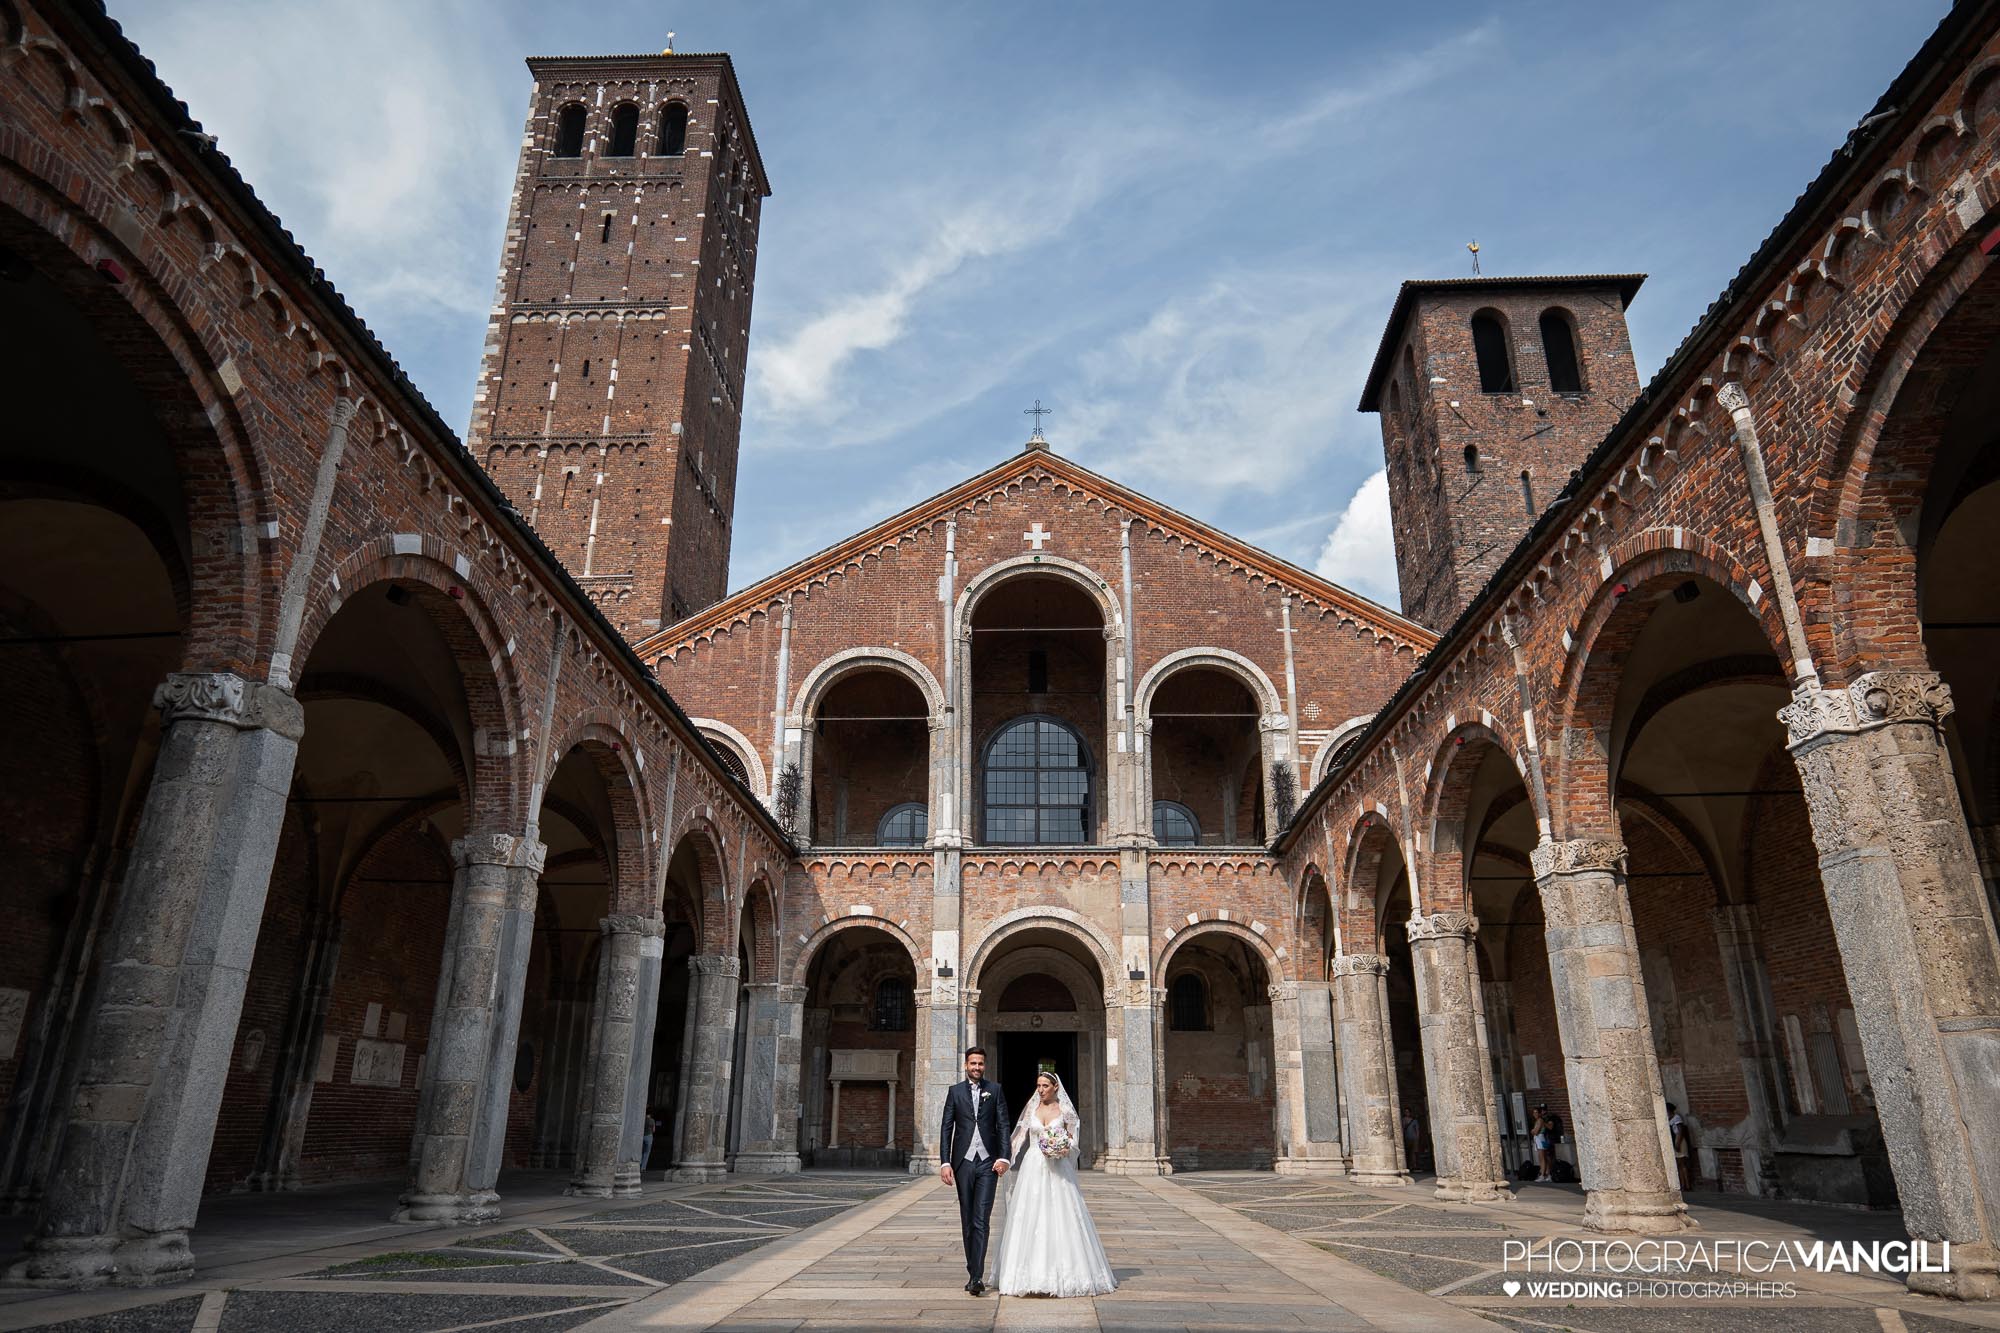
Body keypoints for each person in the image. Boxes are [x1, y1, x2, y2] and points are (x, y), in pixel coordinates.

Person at [993, 1071, 1118, 1298]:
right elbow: (1018, 1138)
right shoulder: (1032, 1109)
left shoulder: (1065, 1112)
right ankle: (1025, 1276)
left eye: (1045, 1086)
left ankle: (1066, 1274)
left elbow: (1072, 1141)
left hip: (1058, 1169)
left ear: (1055, 1087)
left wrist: (1062, 1147)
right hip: (1033, 1168)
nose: (1041, 1090)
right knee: (1030, 1217)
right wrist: (1004, 1160)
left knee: (1060, 1217)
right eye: (1038, 1085)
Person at [938, 1045, 1011, 1296]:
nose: (977, 1067)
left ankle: (977, 1277)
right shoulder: (955, 1092)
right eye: (973, 1063)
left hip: (988, 1163)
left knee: (981, 1219)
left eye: (980, 1063)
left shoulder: (995, 1090)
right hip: (963, 1163)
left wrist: (1004, 1157)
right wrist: (945, 1162)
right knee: (967, 1218)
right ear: (966, 1065)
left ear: (984, 1065)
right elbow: (946, 1128)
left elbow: (1003, 1125)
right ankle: (972, 1269)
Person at [1668, 1102, 1692, 1191]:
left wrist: (1677, 1143)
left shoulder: (1676, 1118)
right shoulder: (1668, 1118)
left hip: (1679, 1141)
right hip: (1674, 1141)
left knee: (1682, 1164)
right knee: (1678, 1165)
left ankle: (1686, 1184)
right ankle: (1682, 1184)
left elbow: (1680, 1131)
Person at [1531, 1104, 1557, 1182]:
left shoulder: (1540, 1120)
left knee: (1542, 1158)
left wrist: (1533, 1131)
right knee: (1544, 1157)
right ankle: (1547, 1174)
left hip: (1541, 1138)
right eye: (1534, 1113)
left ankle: (1542, 1175)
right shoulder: (1539, 1120)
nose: (1535, 1114)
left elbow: (1535, 1132)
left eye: (1536, 1112)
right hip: (1540, 1139)